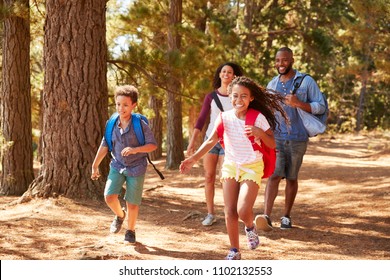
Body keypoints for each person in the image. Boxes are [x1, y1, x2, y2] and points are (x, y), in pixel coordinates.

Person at [180, 76, 287, 260]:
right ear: (230, 96)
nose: (239, 100)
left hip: (252, 165)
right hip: (230, 165)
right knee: (229, 211)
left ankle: (250, 227)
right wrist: (193, 158)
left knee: (243, 209)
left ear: (251, 98)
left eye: (244, 96)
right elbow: (211, 140)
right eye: (235, 96)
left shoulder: (257, 118)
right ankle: (234, 250)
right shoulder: (224, 118)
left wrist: (259, 133)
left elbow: (271, 143)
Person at [255, 47, 327, 231]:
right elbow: (268, 112)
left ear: (292, 60)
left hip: (298, 137)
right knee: (274, 175)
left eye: (285, 60)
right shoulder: (272, 85)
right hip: (277, 137)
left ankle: (286, 216)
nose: (281, 64)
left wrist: (299, 104)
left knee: (292, 177)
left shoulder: (306, 82)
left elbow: (320, 107)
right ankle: (266, 216)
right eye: (278, 60)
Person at [91, 85, 157, 244]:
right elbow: (105, 145)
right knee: (109, 196)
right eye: (118, 104)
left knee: (132, 203)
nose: (121, 108)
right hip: (117, 165)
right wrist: (95, 166)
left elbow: (152, 145)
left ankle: (131, 231)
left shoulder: (140, 124)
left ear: (134, 105)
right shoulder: (111, 123)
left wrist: (135, 150)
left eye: (125, 105)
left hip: (137, 167)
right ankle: (120, 215)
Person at [186, 62, 244, 226]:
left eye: (230, 72)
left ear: (234, 76)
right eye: (223, 71)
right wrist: (192, 143)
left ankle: (230, 212)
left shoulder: (237, 95)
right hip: (211, 141)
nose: (226, 74)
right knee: (209, 176)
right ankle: (210, 213)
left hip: (230, 142)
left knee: (225, 177)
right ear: (219, 74)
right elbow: (201, 120)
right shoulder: (211, 97)